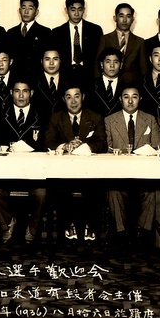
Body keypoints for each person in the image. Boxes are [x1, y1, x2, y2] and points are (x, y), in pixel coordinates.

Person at [45, 82, 107, 241]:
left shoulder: (95, 117)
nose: (73, 101)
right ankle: (68, 224)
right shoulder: (56, 118)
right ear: (64, 100)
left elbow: (102, 143)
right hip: (63, 172)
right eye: (69, 97)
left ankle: (89, 225)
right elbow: (48, 142)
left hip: (88, 171)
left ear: (83, 97)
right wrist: (65, 146)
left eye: (77, 96)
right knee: (58, 187)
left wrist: (84, 146)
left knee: (95, 187)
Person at [0, 77, 47, 244]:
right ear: (11, 93)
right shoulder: (1, 114)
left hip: (33, 174)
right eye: (17, 91)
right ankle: (7, 224)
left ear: (31, 93)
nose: (21, 96)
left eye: (25, 91)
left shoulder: (42, 115)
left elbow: (46, 144)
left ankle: (32, 228)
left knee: (42, 193)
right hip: (6, 173)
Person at [105, 86, 160, 244]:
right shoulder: (110, 121)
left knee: (153, 192)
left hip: (144, 175)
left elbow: (157, 147)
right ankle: (121, 233)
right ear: (120, 99)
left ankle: (142, 233)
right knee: (114, 191)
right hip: (119, 175)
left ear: (140, 99)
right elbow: (107, 149)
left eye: (134, 97)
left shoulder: (150, 119)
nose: (130, 101)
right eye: (126, 97)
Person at [50, 0, 103, 86]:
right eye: (73, 10)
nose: (76, 14)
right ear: (66, 10)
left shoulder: (95, 30)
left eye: (80, 9)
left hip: (89, 76)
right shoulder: (57, 32)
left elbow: (99, 57)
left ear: (84, 10)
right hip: (65, 76)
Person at [96, 3, 147, 84]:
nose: (124, 20)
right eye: (121, 16)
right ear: (115, 18)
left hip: (132, 85)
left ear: (132, 19)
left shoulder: (139, 42)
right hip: (109, 85)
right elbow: (97, 66)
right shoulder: (105, 39)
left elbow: (144, 70)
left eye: (128, 16)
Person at [5, 0, 51, 74]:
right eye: (23, 8)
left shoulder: (45, 32)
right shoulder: (11, 32)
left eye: (30, 8)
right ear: (19, 11)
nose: (26, 12)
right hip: (15, 76)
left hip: (36, 77)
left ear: (36, 12)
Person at [85, 47, 124, 117]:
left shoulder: (126, 87)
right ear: (101, 64)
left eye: (116, 62)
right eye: (108, 62)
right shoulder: (90, 86)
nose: (112, 66)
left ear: (121, 65)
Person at [33, 48, 67, 125]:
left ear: (60, 61)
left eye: (55, 59)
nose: (51, 63)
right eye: (47, 59)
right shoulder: (33, 83)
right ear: (41, 61)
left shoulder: (69, 80)